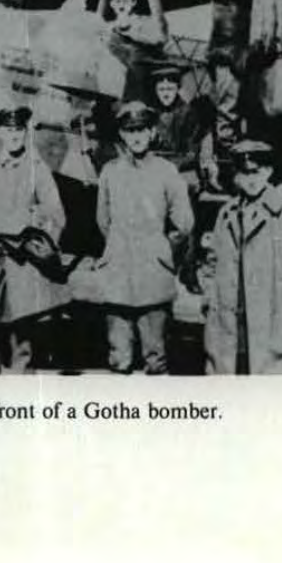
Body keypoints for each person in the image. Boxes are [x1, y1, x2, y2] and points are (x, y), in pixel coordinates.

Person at [0, 105, 68, 374]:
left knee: (23, 346)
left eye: (18, 129)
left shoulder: (37, 170)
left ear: (25, 132)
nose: (14, 135)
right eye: (8, 129)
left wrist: (37, 245)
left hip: (22, 267)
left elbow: (57, 217)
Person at [204, 137, 282, 375]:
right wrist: (210, 302)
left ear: (269, 171)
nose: (251, 180)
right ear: (236, 176)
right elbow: (212, 262)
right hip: (230, 332)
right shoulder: (226, 214)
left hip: (275, 335)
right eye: (244, 173)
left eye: (256, 172)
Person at [96, 100, 194, 375]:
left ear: (152, 132)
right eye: (130, 130)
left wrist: (161, 249)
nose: (136, 136)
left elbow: (184, 224)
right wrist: (117, 248)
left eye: (142, 129)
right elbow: (103, 221)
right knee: (119, 357)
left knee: (155, 357)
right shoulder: (110, 172)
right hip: (118, 274)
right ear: (122, 135)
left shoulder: (166, 171)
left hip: (153, 273)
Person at [205, 0, 259, 177]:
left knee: (251, 111)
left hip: (248, 53)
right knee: (228, 112)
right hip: (226, 53)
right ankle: (227, 170)